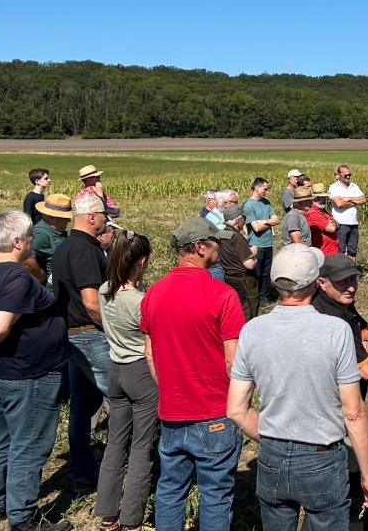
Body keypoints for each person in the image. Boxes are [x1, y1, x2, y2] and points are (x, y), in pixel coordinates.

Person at [226, 244, 368, 530]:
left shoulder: (252, 330)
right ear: (315, 283)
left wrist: (276, 440)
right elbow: (353, 413)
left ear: (274, 283)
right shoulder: (335, 331)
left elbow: (237, 410)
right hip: (322, 456)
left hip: (271, 455)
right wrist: (367, 475)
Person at [0, 209, 73, 531]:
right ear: (16, 242)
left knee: (0, 436)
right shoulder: (15, 276)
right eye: (28, 237)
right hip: (27, 374)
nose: (31, 242)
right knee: (30, 443)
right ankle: (24, 519)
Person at [140, 217, 244, 531]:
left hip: (172, 411)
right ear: (200, 247)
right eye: (216, 243)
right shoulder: (222, 294)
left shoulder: (154, 293)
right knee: (215, 491)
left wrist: (172, 390)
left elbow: (150, 353)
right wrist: (241, 405)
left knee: (170, 488)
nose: (221, 247)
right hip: (213, 410)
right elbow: (233, 361)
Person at [51, 193, 119, 493]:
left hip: (71, 334)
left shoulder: (65, 246)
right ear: (92, 218)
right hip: (91, 334)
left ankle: (82, 472)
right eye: (103, 215)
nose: (106, 219)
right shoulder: (86, 250)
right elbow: (92, 303)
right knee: (120, 401)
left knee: (82, 405)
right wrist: (115, 330)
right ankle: (127, 468)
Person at [312, 253, 368, 529]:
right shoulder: (332, 315)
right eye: (342, 281)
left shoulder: (341, 305)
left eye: (353, 279)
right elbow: (365, 370)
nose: (350, 286)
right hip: (339, 414)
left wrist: (367, 342)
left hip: (337, 411)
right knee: (347, 479)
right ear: (321, 282)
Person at [94, 231, 158, 531]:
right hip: (140, 372)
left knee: (116, 442)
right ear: (142, 262)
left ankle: (107, 513)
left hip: (115, 368)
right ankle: (132, 518)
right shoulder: (141, 302)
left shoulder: (105, 289)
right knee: (142, 447)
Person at [22, 194, 73, 290]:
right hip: (50, 293)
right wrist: (41, 277)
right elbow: (26, 259)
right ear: (52, 217)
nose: (69, 221)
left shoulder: (57, 231)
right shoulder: (41, 234)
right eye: (65, 217)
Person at [242, 177, 279, 306]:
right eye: (264, 189)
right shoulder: (247, 206)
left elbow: (276, 219)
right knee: (256, 272)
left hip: (268, 243)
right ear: (256, 188)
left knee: (266, 272)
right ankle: (254, 297)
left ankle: (263, 298)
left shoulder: (267, 203)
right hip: (256, 244)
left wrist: (264, 221)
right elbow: (256, 228)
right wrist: (269, 222)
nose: (266, 192)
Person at [219, 205, 259, 320]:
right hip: (244, 281)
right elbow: (249, 264)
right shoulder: (237, 238)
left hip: (228, 277)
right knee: (248, 311)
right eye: (244, 218)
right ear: (238, 220)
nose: (245, 221)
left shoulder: (221, 234)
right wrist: (254, 254)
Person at [329, 164, 366, 261]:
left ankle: (352, 271)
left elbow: (363, 199)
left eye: (349, 174)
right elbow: (339, 203)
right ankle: (340, 272)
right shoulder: (334, 187)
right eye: (345, 175)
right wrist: (355, 202)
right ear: (339, 175)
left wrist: (349, 198)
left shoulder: (354, 186)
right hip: (341, 222)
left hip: (353, 222)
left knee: (352, 250)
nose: (348, 177)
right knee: (340, 249)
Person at [305, 183, 340, 255]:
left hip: (331, 252)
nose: (325, 199)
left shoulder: (322, 210)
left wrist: (334, 223)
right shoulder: (312, 213)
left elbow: (337, 224)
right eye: (322, 197)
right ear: (314, 198)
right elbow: (331, 228)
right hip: (323, 253)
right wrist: (333, 223)